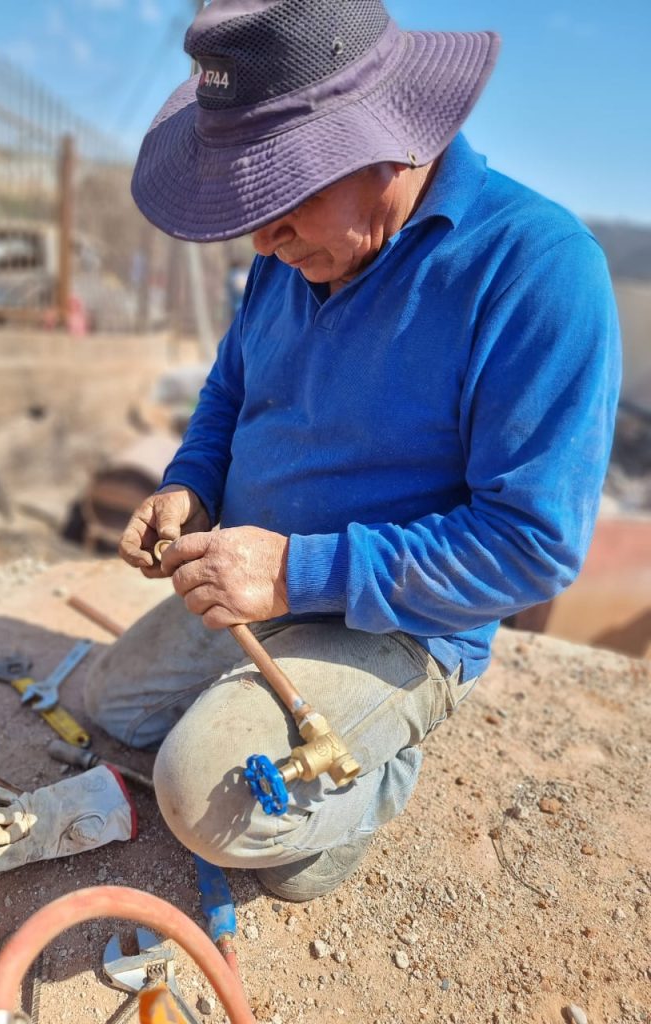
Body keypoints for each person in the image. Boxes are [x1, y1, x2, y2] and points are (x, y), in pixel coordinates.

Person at [85, 0, 621, 902]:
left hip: (397, 623)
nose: (262, 236)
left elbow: (533, 544)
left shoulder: (539, 270)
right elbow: (230, 392)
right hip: (255, 583)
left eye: (285, 193)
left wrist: (301, 572)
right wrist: (191, 488)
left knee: (210, 807)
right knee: (111, 708)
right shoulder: (291, 256)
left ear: (396, 145)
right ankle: (261, 712)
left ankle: (382, 767)